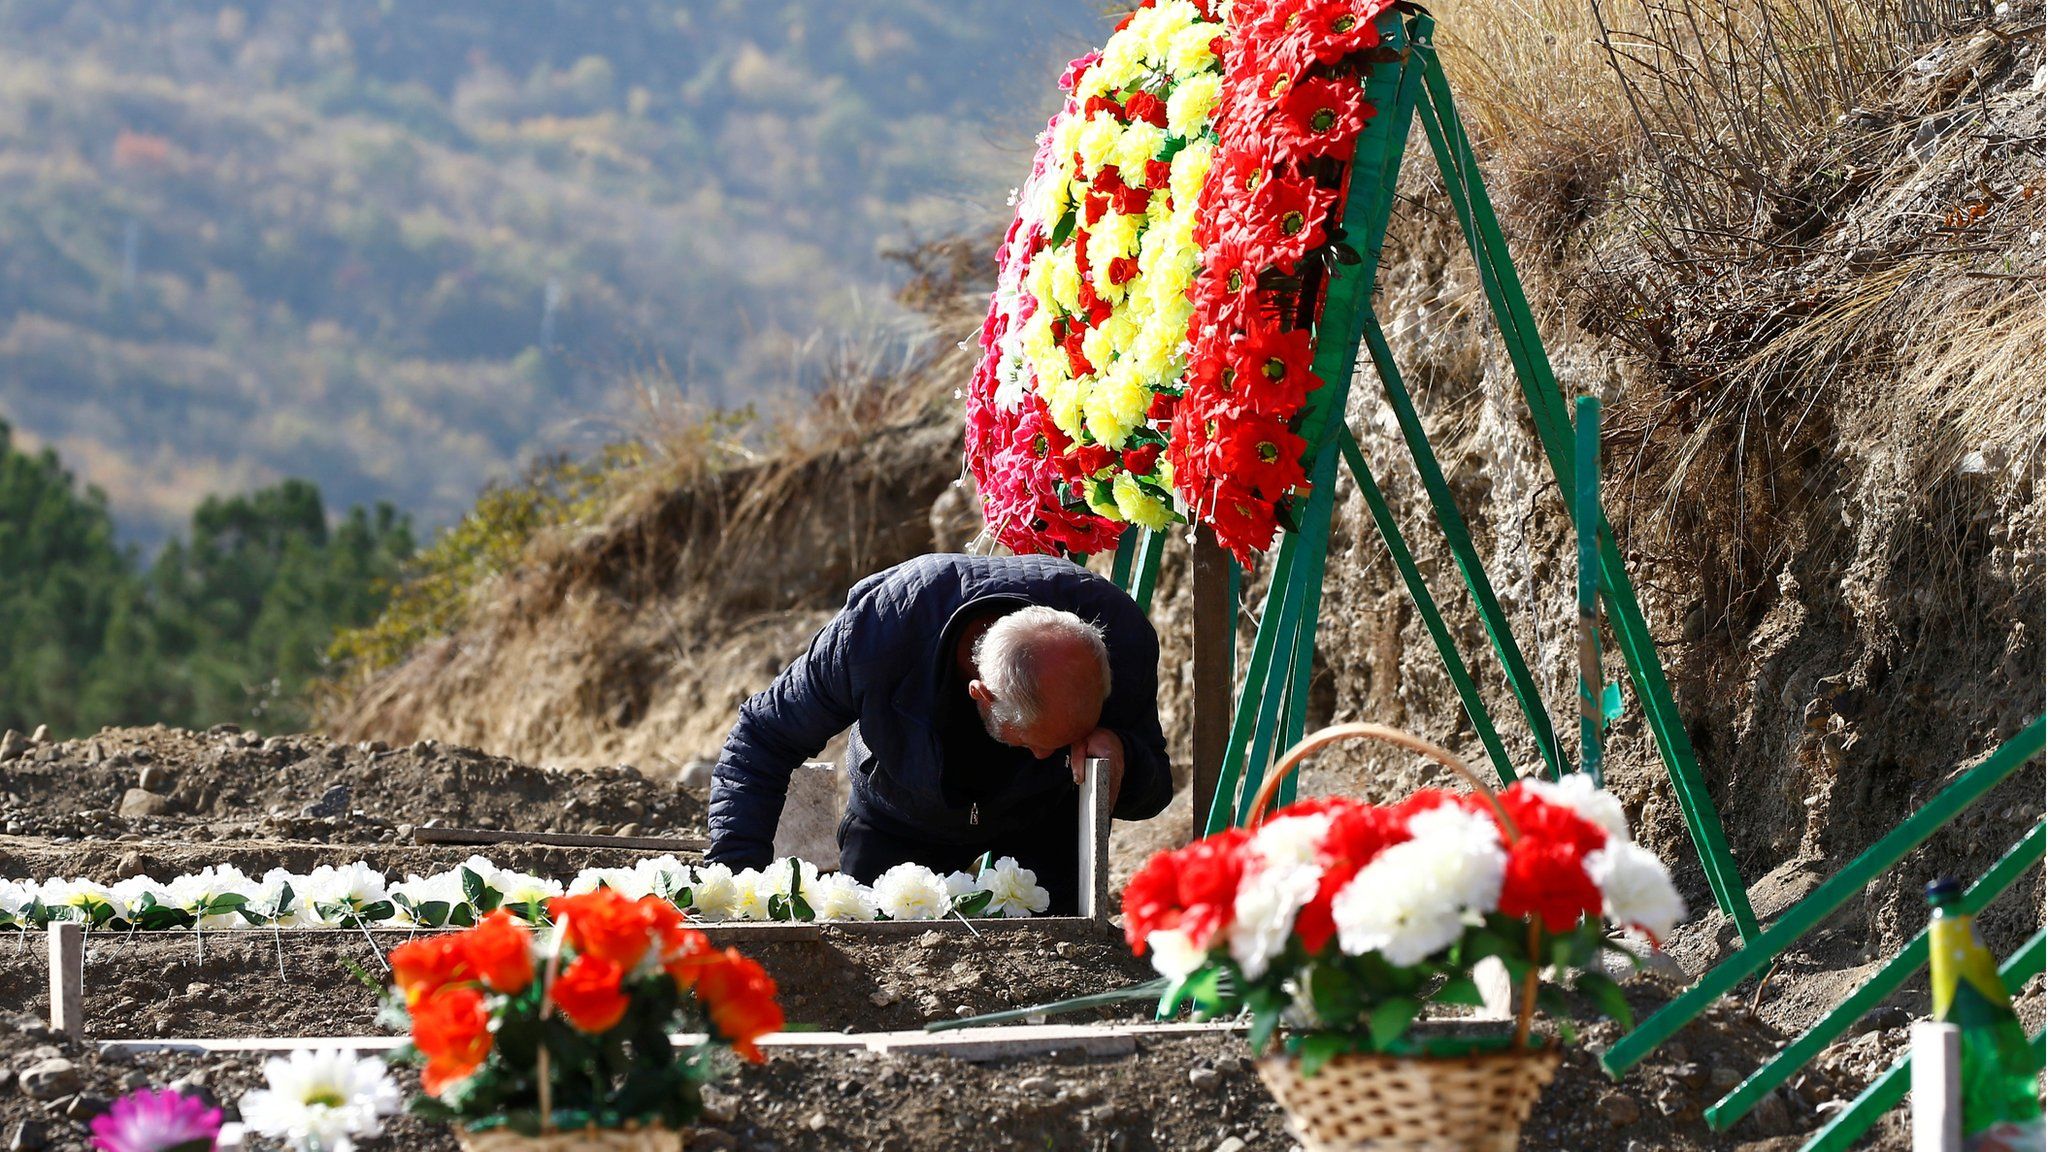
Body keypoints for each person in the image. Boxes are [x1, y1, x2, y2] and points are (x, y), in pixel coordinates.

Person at [704, 553, 1173, 913]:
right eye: (1035, 740)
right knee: (870, 944)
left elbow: (1154, 789)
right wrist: (733, 878)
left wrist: (1123, 757)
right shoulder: (877, 631)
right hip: (900, 810)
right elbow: (761, 738)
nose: (1046, 753)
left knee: (1059, 961)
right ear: (982, 695)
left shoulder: (1121, 633)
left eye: (1064, 741)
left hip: (1044, 816)